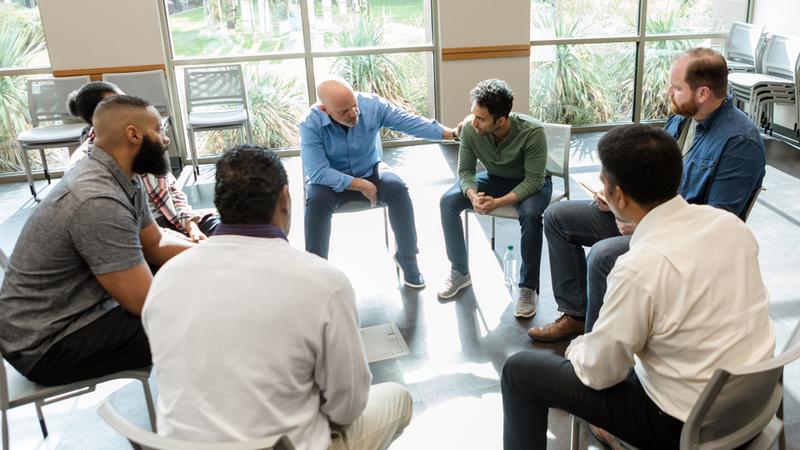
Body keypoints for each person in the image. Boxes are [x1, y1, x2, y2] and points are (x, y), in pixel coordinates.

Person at [501, 123, 775, 450]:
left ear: (618, 195)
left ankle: (612, 429)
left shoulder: (639, 266)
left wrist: (579, 347)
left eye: (603, 181)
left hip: (684, 425)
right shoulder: (731, 226)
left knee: (520, 371)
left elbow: (601, 373)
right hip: (756, 402)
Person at [143, 145, 412, 450]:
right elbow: (346, 408)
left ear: (220, 205)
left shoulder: (167, 276)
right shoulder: (324, 284)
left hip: (183, 445)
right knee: (398, 398)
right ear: (285, 198)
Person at [530, 47, 766, 342]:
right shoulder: (682, 117)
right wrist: (620, 195)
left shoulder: (739, 142)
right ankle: (576, 314)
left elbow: (718, 223)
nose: (669, 92)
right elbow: (653, 175)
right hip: (644, 216)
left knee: (603, 257)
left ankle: (598, 342)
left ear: (703, 93)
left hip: (677, 238)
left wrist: (643, 223)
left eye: (677, 87)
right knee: (557, 216)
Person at [0, 95, 193, 385]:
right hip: (47, 344)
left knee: (190, 285)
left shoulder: (122, 175)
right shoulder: (97, 199)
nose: (165, 141)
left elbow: (155, 244)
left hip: (70, 313)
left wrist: (217, 254)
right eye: (160, 130)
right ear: (133, 134)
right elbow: (145, 303)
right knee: (199, 319)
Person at [300, 76, 458, 288]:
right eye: (344, 111)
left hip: (369, 170)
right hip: (330, 182)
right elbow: (318, 172)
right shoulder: (310, 123)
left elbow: (408, 121)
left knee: (398, 189)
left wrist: (450, 133)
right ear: (324, 110)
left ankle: (407, 258)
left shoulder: (372, 105)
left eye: (353, 105)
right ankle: (317, 273)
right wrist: (359, 184)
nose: (353, 113)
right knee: (315, 203)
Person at [438, 79, 551, 319]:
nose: (473, 122)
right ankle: (460, 271)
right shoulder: (470, 128)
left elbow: (533, 181)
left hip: (531, 183)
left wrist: (498, 203)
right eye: (473, 115)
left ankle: (528, 287)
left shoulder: (532, 132)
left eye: (481, 118)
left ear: (500, 120)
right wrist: (472, 195)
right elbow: (466, 172)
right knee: (448, 202)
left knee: (530, 215)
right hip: (495, 178)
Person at [67, 81, 220, 241]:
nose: (129, 106)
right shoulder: (88, 168)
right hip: (144, 237)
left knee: (231, 232)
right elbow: (145, 238)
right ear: (100, 116)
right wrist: (193, 244)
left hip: (174, 222)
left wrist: (191, 226)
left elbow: (171, 190)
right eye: (118, 104)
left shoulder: (142, 143)